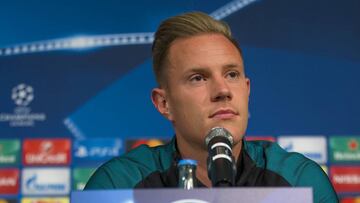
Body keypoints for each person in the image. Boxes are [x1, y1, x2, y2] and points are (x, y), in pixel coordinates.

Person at [85, 11, 338, 202]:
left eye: (231, 75)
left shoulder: (300, 182)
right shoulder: (119, 185)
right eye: (198, 78)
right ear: (164, 103)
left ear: (247, 89)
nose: (223, 91)